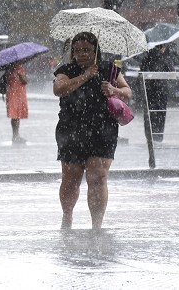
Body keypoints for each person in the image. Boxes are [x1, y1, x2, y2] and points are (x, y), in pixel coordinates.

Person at [53, 32, 132, 229]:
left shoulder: (110, 69)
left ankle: (97, 225)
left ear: (96, 50)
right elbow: (59, 89)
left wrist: (114, 91)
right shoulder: (66, 70)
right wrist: (85, 76)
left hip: (103, 130)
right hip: (71, 130)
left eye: (87, 50)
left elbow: (127, 92)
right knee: (71, 179)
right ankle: (67, 215)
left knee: (98, 177)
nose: (82, 54)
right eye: (77, 50)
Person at [139, 43, 174, 143]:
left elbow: (141, 71)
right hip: (161, 91)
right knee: (160, 114)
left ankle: (149, 136)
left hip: (148, 90)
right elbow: (172, 72)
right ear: (162, 47)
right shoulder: (165, 58)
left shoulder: (146, 58)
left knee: (148, 114)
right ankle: (158, 136)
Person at [5, 62, 29, 144]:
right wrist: (27, 78)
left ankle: (15, 135)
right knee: (16, 115)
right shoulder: (19, 67)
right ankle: (16, 135)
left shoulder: (9, 68)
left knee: (14, 115)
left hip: (11, 93)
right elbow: (24, 80)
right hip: (17, 94)